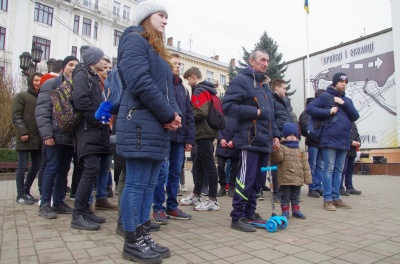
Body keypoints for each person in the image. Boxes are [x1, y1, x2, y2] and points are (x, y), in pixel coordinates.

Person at [116, 1, 182, 262]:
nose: (165, 21)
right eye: (161, 15)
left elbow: (168, 89)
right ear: (146, 16)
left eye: (167, 17)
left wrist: (174, 115)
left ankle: (143, 237)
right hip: (141, 124)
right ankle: (132, 241)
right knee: (136, 184)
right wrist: (167, 114)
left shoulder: (157, 50)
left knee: (148, 185)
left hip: (156, 125)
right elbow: (139, 82)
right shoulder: (134, 40)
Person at [222, 49, 280, 232]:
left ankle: (250, 212)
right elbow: (228, 106)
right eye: (262, 60)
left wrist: (276, 135)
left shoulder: (265, 86)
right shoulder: (241, 80)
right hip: (249, 138)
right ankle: (237, 216)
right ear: (251, 61)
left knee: (258, 180)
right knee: (245, 179)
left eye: (267, 60)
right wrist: (255, 112)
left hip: (265, 140)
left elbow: (271, 115)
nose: (265, 63)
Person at [71, 46, 111, 230]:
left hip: (94, 131)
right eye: (101, 58)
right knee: (89, 171)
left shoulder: (92, 76)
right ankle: (77, 215)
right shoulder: (81, 74)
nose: (104, 62)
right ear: (93, 59)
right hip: (87, 131)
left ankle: (85, 211)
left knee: (92, 172)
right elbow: (80, 101)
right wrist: (96, 121)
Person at [306, 72, 359, 211]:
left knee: (338, 170)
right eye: (341, 81)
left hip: (344, 140)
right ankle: (328, 199)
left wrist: (343, 104)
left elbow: (355, 116)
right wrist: (328, 111)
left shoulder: (346, 100)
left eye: (346, 82)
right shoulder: (325, 97)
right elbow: (310, 109)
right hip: (329, 139)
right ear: (335, 82)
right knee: (328, 169)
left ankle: (336, 198)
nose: (344, 84)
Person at [152, 54, 195, 224]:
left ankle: (172, 205)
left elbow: (189, 115)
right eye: (175, 64)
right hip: (164, 134)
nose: (178, 67)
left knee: (175, 173)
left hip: (180, 137)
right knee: (161, 172)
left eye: (179, 64)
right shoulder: (161, 82)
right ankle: (158, 208)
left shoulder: (184, 89)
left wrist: (189, 138)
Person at [36, 56, 79, 218]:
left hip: (69, 137)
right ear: (63, 67)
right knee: (51, 167)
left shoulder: (76, 86)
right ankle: (45, 203)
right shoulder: (51, 84)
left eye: (76, 65)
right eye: (70, 64)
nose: (73, 68)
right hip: (53, 135)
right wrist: (47, 134)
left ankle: (59, 202)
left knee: (64, 169)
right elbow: (42, 111)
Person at [179, 66, 220, 211]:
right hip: (207, 131)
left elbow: (201, 112)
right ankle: (196, 195)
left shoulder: (199, 90)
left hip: (204, 132)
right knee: (198, 164)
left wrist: (186, 116)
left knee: (208, 164)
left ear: (192, 77)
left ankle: (213, 200)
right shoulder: (209, 90)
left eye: (188, 80)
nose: (188, 83)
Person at [12, 72, 43, 205]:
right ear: (31, 81)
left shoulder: (42, 97)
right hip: (24, 137)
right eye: (36, 80)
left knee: (37, 165)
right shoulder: (21, 96)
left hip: (37, 138)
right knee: (22, 165)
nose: (37, 83)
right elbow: (16, 115)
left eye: (40, 81)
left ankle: (26, 191)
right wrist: (23, 131)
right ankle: (20, 195)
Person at [271, 123, 312, 219]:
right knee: (285, 196)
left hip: (298, 178)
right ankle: (285, 211)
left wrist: (308, 179)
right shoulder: (282, 148)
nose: (292, 137)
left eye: (294, 135)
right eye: (290, 135)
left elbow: (305, 165)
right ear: (284, 136)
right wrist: (276, 150)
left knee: (296, 196)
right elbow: (277, 159)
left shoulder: (300, 150)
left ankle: (296, 210)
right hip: (286, 178)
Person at [93, 57, 117, 211]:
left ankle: (101, 197)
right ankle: (88, 200)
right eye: (104, 68)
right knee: (93, 167)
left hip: (110, 131)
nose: (107, 71)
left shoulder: (113, 86)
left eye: (109, 68)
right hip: (97, 130)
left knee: (106, 167)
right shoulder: (95, 86)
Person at [270, 78, 295, 203]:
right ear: (277, 88)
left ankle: (286, 193)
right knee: (275, 166)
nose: (285, 90)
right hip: (278, 137)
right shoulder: (272, 100)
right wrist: (277, 136)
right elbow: (272, 119)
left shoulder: (286, 102)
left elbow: (289, 118)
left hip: (287, 136)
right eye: (284, 88)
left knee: (286, 165)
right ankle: (276, 192)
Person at [298, 89, 325, 198]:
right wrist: (314, 134)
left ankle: (319, 186)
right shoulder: (309, 111)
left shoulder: (322, 110)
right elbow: (304, 126)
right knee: (312, 165)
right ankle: (312, 188)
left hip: (321, 142)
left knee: (320, 165)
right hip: (313, 142)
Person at [215, 117, 239, 198]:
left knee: (234, 168)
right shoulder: (221, 114)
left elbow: (241, 131)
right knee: (220, 167)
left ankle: (232, 187)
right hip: (222, 146)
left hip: (234, 146)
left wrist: (234, 141)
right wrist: (221, 139)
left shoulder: (238, 115)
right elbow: (217, 128)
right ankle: (222, 186)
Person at [340, 122, 362, 196]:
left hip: (352, 151)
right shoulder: (343, 121)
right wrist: (351, 142)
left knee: (350, 170)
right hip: (344, 150)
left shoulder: (353, 123)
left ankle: (350, 187)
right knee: (343, 170)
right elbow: (341, 135)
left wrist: (359, 142)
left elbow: (357, 135)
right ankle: (340, 188)